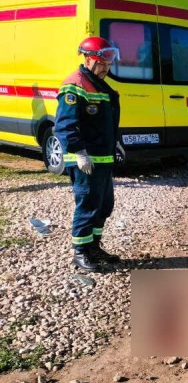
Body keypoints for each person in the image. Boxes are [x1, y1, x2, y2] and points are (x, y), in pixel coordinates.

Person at [54, 36, 125, 272]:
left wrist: (116, 143)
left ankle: (93, 246)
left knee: (104, 206)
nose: (106, 68)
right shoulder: (75, 85)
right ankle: (81, 252)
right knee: (87, 205)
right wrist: (79, 151)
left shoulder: (98, 82)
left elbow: (105, 122)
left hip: (103, 158)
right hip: (86, 159)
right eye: (102, 63)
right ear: (87, 59)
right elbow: (65, 124)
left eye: (108, 63)